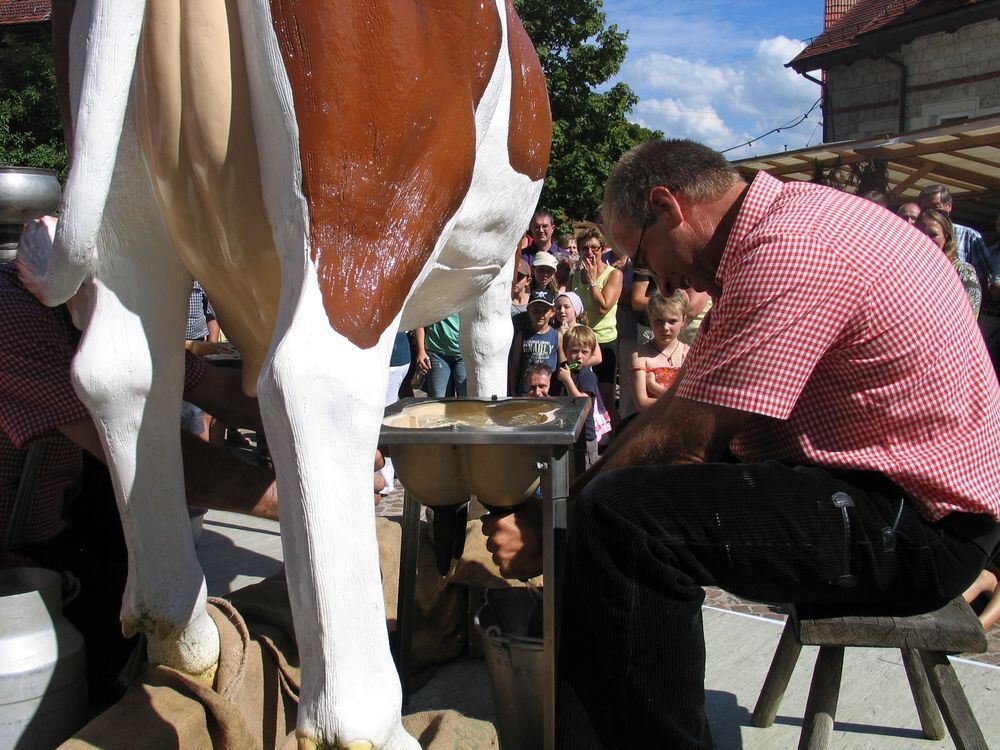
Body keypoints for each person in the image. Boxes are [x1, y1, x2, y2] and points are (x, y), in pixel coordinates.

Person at [488, 139, 999, 748]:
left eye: (641, 253)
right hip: (898, 498)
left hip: (917, 527)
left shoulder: (790, 247)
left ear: (666, 205)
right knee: (616, 482)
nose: (656, 278)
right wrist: (562, 511)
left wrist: (550, 519)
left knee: (624, 521)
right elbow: (681, 407)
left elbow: (687, 440)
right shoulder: (790, 221)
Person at [571, 227, 623, 417]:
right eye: (585, 248)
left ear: (603, 249)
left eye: (595, 248)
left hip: (604, 342)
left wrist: (593, 281)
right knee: (580, 394)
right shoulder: (574, 278)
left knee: (606, 398)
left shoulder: (614, 274)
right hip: (578, 346)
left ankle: (616, 441)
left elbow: (602, 308)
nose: (590, 253)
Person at [552, 325, 608, 468]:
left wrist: (567, 381)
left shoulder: (587, 376)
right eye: (574, 351)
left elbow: (582, 403)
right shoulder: (559, 372)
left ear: (590, 354)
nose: (579, 356)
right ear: (565, 351)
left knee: (584, 473)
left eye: (585, 352)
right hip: (563, 433)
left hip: (584, 438)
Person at [628, 290, 690, 412]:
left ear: (683, 320)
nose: (665, 328)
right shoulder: (640, 357)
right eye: (659, 321)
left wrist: (656, 389)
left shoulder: (689, 354)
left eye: (672, 321)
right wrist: (679, 403)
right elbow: (642, 403)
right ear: (650, 319)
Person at [916, 208, 982, 317]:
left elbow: (970, 316)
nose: (926, 239)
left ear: (946, 237)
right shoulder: (910, 266)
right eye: (921, 233)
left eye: (933, 234)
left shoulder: (963, 271)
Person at [508, 289, 563, 396]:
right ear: (529, 311)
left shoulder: (557, 336)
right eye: (536, 311)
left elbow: (563, 365)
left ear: (552, 312)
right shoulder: (521, 336)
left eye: (544, 310)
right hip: (526, 392)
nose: (540, 315)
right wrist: (513, 393)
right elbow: (515, 366)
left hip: (548, 392)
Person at [415, 314, 466, 397]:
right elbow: (419, 318)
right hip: (437, 352)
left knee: (467, 400)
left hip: (465, 354)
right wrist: (421, 351)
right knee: (438, 400)